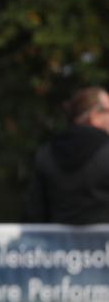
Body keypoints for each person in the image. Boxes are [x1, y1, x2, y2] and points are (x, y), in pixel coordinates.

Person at [25, 86, 109, 224]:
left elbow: (34, 214)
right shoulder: (106, 152)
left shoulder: (46, 153)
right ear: (95, 116)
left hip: (56, 238)